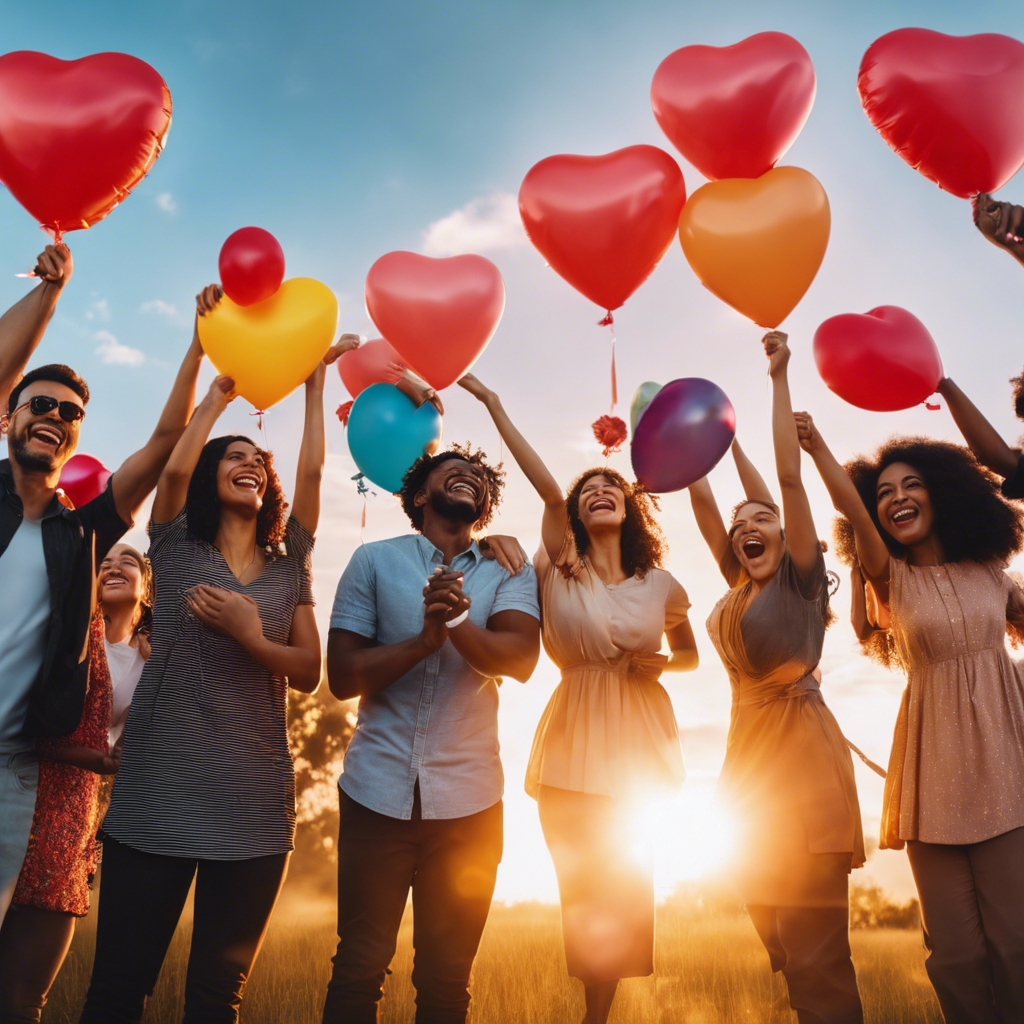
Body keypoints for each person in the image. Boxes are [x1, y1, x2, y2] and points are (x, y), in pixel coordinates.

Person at [78, 325, 352, 1024]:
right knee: (117, 992)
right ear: (210, 475)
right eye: (234, 457)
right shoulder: (173, 544)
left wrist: (316, 383)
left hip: (253, 808)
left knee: (215, 1002)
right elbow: (171, 470)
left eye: (259, 460)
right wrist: (220, 388)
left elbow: (308, 671)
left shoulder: (291, 562)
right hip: (154, 799)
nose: (251, 463)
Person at [459, 373, 698, 1024]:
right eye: (587, 489)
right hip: (572, 737)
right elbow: (546, 486)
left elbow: (690, 655)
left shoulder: (661, 584)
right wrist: (494, 402)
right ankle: (593, 1010)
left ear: (630, 507)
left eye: (610, 486)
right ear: (577, 512)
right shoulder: (560, 561)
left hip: (639, 742)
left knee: (625, 887)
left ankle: (599, 1014)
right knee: (585, 891)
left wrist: (660, 665)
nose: (596, 491)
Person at [798, 407, 1024, 1024]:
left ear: (944, 494)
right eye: (885, 492)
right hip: (931, 772)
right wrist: (817, 446)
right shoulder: (888, 576)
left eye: (912, 485)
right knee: (954, 952)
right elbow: (850, 506)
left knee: (1015, 944)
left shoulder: (992, 575)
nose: (897, 498)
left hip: (1007, 765)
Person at [0, 249, 206, 927]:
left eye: (71, 411)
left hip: (11, 769)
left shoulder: (85, 533)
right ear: (9, 417)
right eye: (40, 403)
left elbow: (168, 438)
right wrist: (51, 295)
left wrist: (198, 348)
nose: (56, 414)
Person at [321, 443, 541, 1024]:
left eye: (478, 478)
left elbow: (518, 659)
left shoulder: (510, 569)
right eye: (452, 472)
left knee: (447, 980)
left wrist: (460, 619)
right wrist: (423, 641)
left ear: (485, 506)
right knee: (360, 965)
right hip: (374, 792)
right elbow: (342, 677)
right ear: (420, 496)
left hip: (471, 805)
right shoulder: (372, 561)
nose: (467, 477)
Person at [687, 333, 865, 1024]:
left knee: (816, 951)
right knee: (777, 937)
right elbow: (705, 508)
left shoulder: (797, 581)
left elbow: (787, 482)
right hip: (748, 773)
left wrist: (779, 376)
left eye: (762, 521)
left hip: (805, 769)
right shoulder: (739, 589)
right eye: (742, 525)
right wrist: (687, 452)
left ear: (789, 537)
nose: (745, 528)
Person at [0, 543, 151, 1023]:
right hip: (18, 785)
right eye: (102, 561)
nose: (112, 566)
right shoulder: (59, 634)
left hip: (71, 814)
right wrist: (99, 760)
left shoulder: (155, 660)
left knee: (23, 1001)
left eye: (127, 560)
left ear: (147, 588)